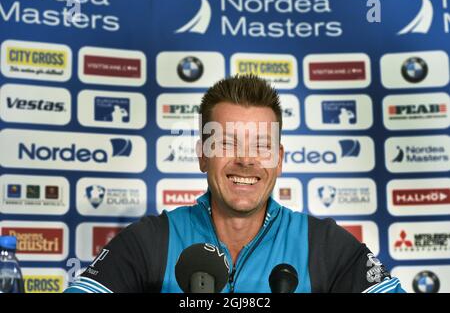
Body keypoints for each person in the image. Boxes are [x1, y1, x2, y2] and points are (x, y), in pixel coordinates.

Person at [65, 75, 405, 293]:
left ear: (279, 159)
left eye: (261, 145)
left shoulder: (325, 245)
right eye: (226, 143)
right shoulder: (151, 240)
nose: (246, 160)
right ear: (202, 156)